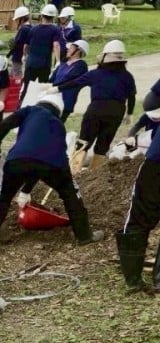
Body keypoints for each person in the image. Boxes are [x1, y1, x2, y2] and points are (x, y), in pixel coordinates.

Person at [0, 93, 103, 254]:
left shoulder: (30, 110)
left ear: (41, 102)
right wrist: (26, 191)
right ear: (58, 111)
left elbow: (6, 124)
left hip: (18, 160)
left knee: (3, 198)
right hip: (54, 164)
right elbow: (40, 163)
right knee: (71, 195)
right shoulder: (59, 124)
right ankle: (84, 236)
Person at [49, 39, 136, 171]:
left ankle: (74, 171)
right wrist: (129, 113)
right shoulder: (127, 76)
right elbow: (132, 96)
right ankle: (93, 173)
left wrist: (57, 88)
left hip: (96, 109)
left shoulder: (95, 74)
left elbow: (75, 83)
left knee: (84, 141)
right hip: (116, 112)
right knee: (104, 143)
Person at [115, 127, 160, 293]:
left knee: (139, 216)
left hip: (155, 164)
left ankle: (133, 279)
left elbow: (152, 136)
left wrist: (133, 141)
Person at [19, 4, 62, 104]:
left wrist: (24, 55)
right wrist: (58, 60)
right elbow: (56, 45)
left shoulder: (33, 29)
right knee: (43, 88)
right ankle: (39, 107)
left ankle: (21, 106)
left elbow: (26, 45)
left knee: (27, 87)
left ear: (42, 15)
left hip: (31, 63)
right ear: (53, 17)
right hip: (44, 64)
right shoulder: (55, 30)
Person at [48, 39, 89, 122]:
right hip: (54, 98)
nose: (68, 50)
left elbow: (69, 80)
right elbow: (52, 79)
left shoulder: (81, 65)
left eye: (72, 48)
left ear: (78, 51)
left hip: (66, 100)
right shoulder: (63, 64)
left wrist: (56, 87)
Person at [7, 6, 32, 80]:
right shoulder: (30, 27)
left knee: (16, 77)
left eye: (17, 19)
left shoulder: (24, 29)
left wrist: (8, 55)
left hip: (18, 57)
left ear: (22, 18)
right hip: (23, 56)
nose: (16, 21)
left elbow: (17, 44)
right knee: (13, 75)